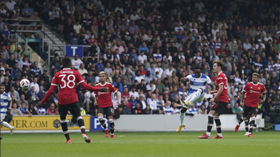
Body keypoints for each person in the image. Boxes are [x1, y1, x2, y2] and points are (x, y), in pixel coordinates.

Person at [38, 58, 108, 144]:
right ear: (71, 64)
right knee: (78, 116)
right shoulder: (76, 73)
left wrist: (42, 102)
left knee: (63, 119)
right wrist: (99, 88)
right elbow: (85, 86)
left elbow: (51, 90)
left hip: (62, 99)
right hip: (73, 98)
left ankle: (68, 139)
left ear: (62, 64)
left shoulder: (57, 74)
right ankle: (83, 133)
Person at [177, 65, 213, 132]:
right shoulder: (192, 76)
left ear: (200, 72)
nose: (196, 74)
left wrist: (213, 94)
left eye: (197, 73)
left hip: (200, 96)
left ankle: (189, 102)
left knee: (200, 90)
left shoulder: (205, 77)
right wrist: (183, 79)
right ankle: (181, 124)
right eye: (195, 72)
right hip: (191, 95)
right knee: (182, 110)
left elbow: (212, 85)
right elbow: (186, 79)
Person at [199, 61, 228, 139]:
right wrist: (214, 91)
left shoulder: (220, 76)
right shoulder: (223, 75)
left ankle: (208, 134)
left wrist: (213, 98)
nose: (213, 67)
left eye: (215, 66)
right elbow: (223, 89)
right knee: (215, 116)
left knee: (210, 114)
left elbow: (221, 89)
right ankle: (219, 135)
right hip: (224, 99)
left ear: (219, 67)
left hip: (221, 99)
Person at [235, 73, 266, 137]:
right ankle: (238, 125)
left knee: (253, 117)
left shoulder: (261, 86)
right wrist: (241, 101)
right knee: (244, 117)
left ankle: (249, 132)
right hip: (247, 104)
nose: (253, 79)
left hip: (255, 105)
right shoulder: (248, 85)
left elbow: (264, 93)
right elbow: (243, 93)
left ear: (257, 78)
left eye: (255, 77)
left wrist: (264, 99)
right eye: (252, 77)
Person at [94, 71, 120, 139]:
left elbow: (116, 93)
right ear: (99, 77)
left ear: (105, 77)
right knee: (100, 118)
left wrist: (117, 100)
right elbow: (95, 95)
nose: (102, 77)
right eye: (100, 76)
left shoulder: (109, 85)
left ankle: (112, 133)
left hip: (109, 105)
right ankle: (105, 129)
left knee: (110, 120)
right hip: (101, 105)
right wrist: (95, 101)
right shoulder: (97, 86)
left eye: (103, 76)